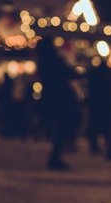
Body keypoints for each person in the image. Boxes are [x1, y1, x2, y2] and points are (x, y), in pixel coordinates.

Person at [35, 39, 81, 171]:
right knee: (64, 126)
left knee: (61, 126)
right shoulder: (53, 60)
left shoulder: (44, 61)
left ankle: (57, 154)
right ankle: (57, 156)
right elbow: (68, 72)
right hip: (61, 97)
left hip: (54, 97)